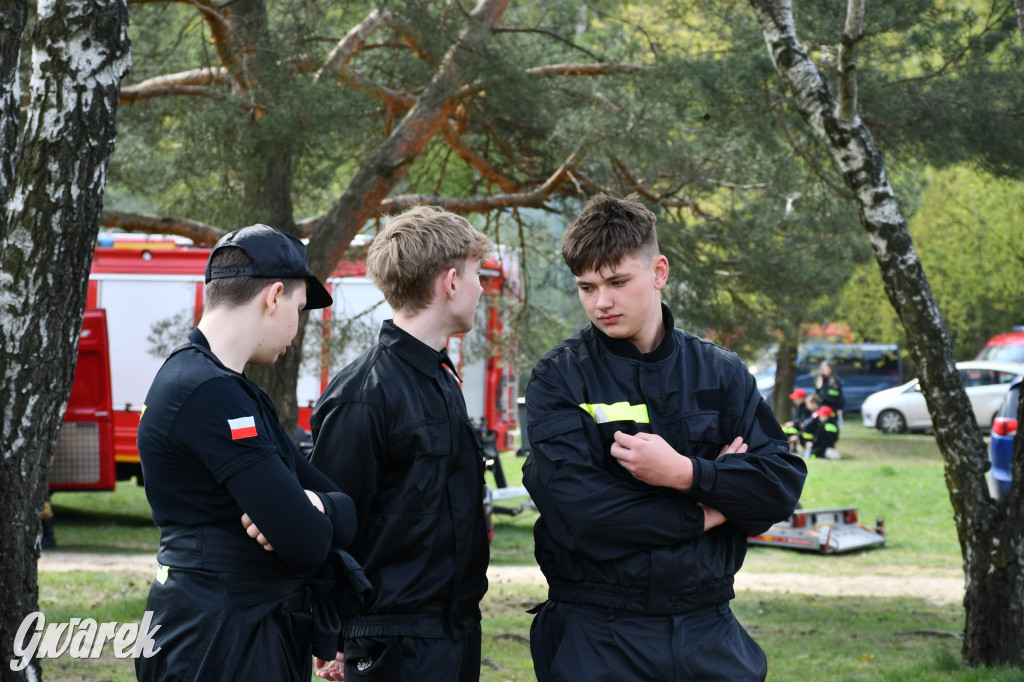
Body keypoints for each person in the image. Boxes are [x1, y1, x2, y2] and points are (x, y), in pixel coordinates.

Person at [522, 194, 807, 682]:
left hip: (710, 632)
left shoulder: (721, 373)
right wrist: (708, 511)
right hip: (599, 634)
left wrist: (686, 474)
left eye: (617, 282)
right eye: (587, 287)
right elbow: (582, 515)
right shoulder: (559, 379)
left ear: (659, 272)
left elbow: (778, 487)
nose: (601, 302)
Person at [136, 224, 362, 682]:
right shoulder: (208, 392)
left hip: (225, 628)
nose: (297, 328)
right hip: (218, 639)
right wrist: (311, 515)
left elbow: (342, 512)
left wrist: (317, 506)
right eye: (300, 308)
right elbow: (306, 541)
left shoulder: (225, 388)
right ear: (274, 296)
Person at [309, 205, 493, 681]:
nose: (481, 288)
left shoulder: (441, 380)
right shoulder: (362, 396)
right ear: (450, 282)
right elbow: (332, 530)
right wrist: (340, 636)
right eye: (477, 274)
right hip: (392, 648)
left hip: (454, 637)